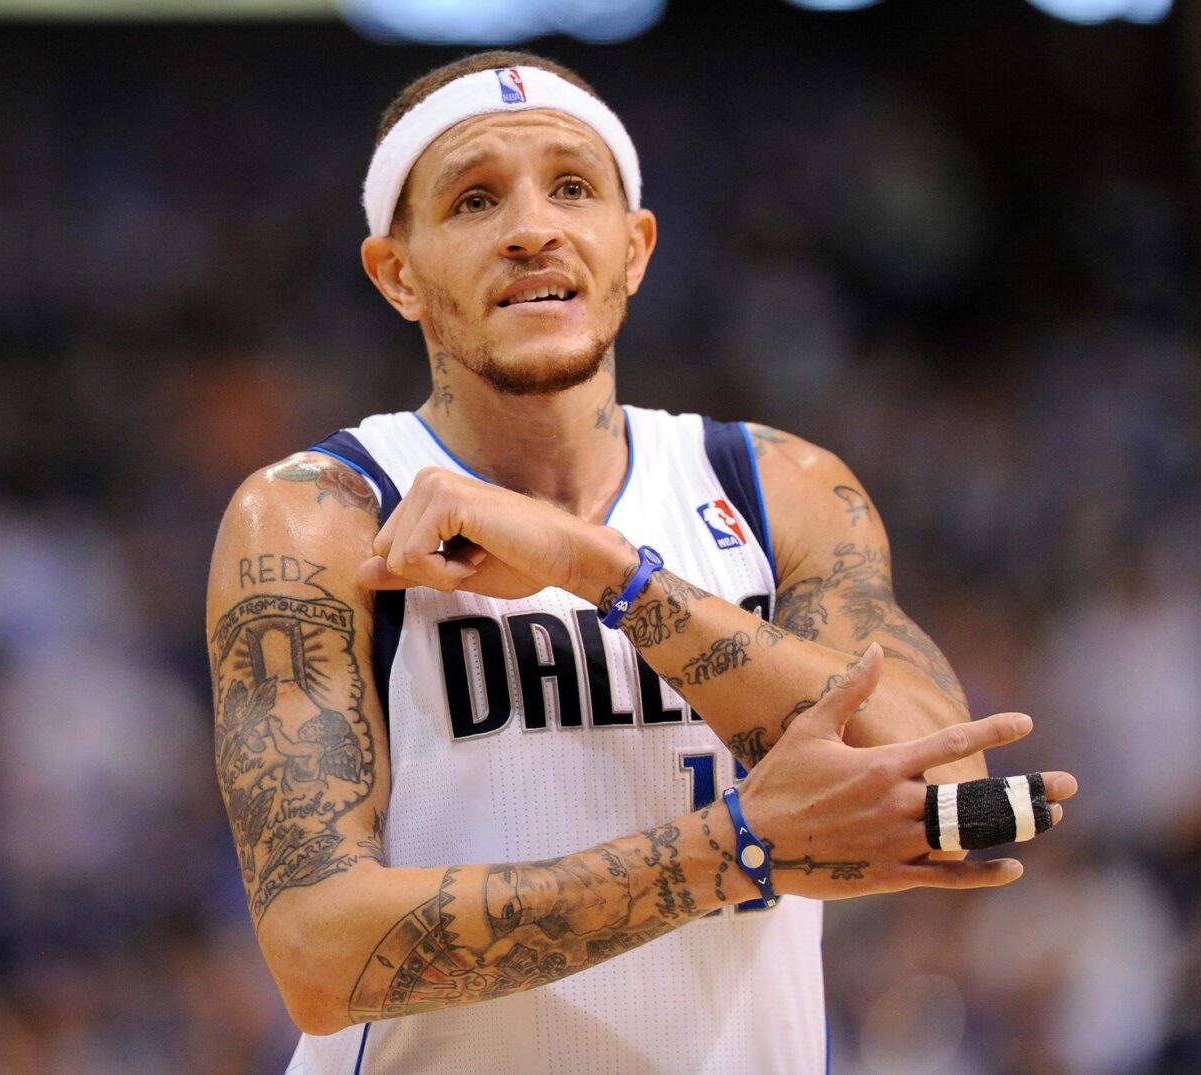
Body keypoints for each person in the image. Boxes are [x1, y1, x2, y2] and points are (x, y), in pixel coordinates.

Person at [207, 50, 1077, 1074]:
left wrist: (604, 570)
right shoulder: (322, 516)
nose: (534, 227)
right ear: (398, 272)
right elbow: (319, 954)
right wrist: (736, 847)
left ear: (634, 247)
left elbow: (947, 802)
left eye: (572, 187)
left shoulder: (777, 485)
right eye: (476, 199)